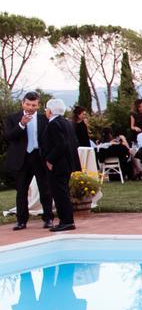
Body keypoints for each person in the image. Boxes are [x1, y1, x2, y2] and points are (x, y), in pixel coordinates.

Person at [5, 91, 53, 230]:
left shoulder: (44, 118)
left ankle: (48, 218)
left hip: (39, 157)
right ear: (22, 103)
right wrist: (21, 124)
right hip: (21, 159)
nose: (30, 107)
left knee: (45, 189)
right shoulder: (13, 118)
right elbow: (8, 136)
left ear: (38, 105)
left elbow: (49, 139)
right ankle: (21, 221)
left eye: (34, 105)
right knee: (21, 191)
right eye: (27, 104)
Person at [42, 99, 80, 232]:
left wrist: (49, 159)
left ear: (50, 111)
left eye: (46, 109)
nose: (45, 111)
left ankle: (66, 221)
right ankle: (66, 220)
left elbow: (61, 144)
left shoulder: (54, 124)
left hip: (58, 165)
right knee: (63, 193)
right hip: (67, 164)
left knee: (59, 194)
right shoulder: (66, 122)